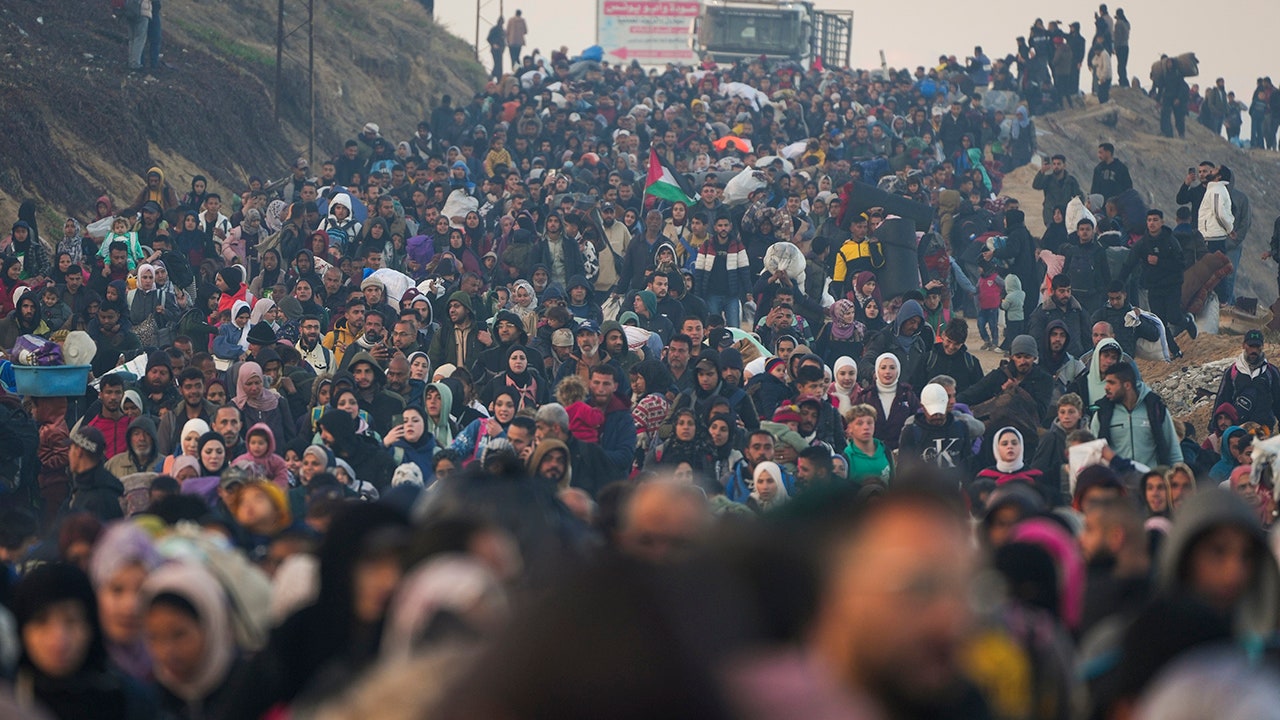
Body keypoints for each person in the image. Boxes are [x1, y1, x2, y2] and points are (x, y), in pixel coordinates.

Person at [13, 563, 139, 720]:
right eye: (41, 622)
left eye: (71, 620)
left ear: (91, 625)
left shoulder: (127, 700)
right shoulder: (9, 699)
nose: (58, 639)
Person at [1120, 209, 1193, 357]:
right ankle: (1175, 351)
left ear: (1162, 222)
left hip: (1172, 285)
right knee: (1160, 322)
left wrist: (1159, 262)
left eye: (1155, 220)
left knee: (1173, 317)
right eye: (1149, 220)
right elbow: (1129, 264)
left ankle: (1187, 320)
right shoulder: (1142, 244)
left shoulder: (1171, 241)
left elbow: (1180, 264)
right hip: (1154, 287)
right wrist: (1119, 284)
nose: (1152, 223)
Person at [1089, 360, 1182, 468]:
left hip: (1152, 482)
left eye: (1111, 383)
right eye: (1106, 382)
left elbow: (1174, 452)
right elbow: (1094, 453)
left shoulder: (1155, 408)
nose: (1106, 387)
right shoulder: (1103, 413)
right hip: (1117, 483)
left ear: (1127, 385)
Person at [1212, 330, 1280, 431]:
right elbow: (1222, 399)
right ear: (1244, 345)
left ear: (1262, 346)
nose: (1254, 350)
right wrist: (1214, 428)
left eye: (1257, 346)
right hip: (1238, 429)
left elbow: (1278, 400)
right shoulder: (1233, 371)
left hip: (1264, 430)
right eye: (1251, 346)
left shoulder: (1271, 372)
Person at [1032, 154, 1084, 228]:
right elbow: (1036, 185)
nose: (1056, 166)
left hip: (1066, 214)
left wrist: (1076, 211)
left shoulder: (1070, 181)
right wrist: (1042, 171)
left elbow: (1079, 197)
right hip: (1050, 213)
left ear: (1064, 165)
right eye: (1054, 164)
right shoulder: (1048, 179)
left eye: (1059, 164)